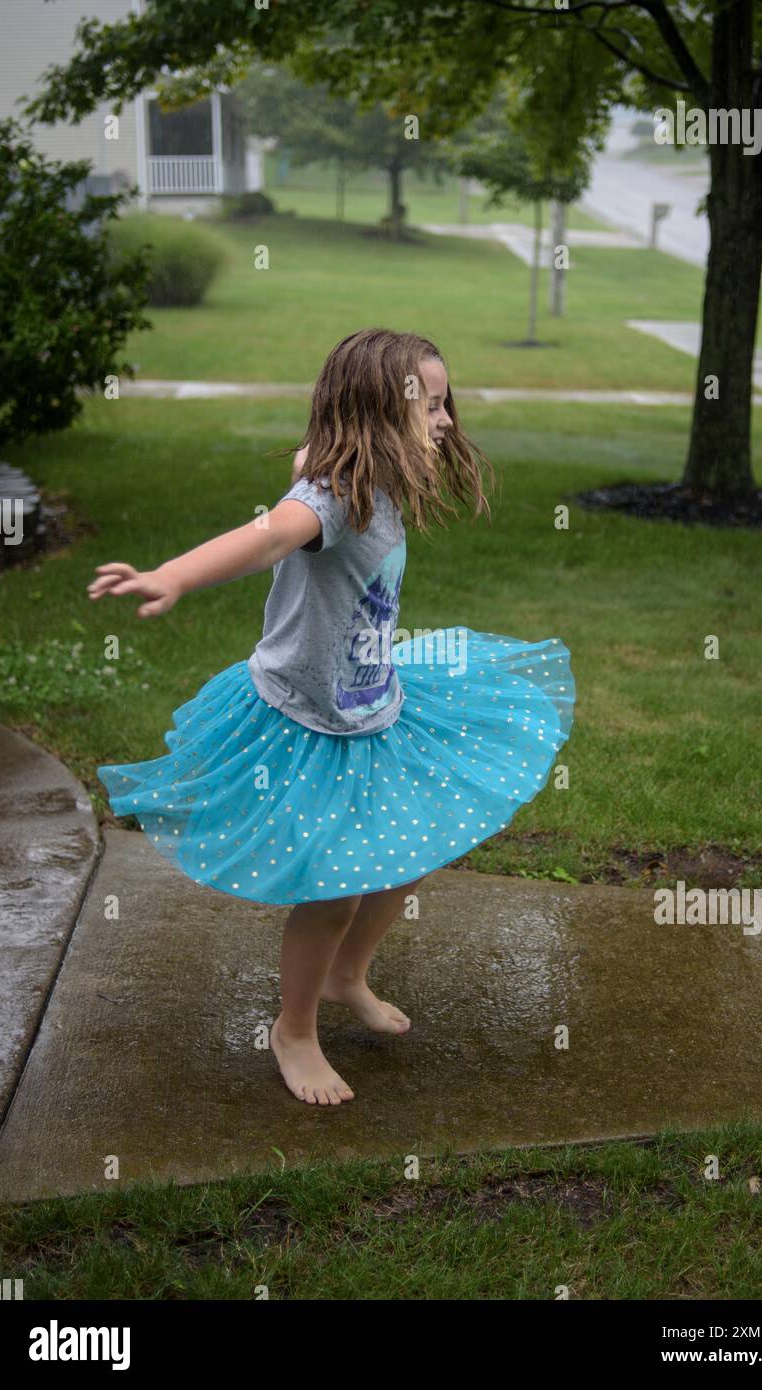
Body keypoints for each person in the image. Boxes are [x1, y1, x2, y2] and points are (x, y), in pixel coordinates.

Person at [89, 328, 575, 1107]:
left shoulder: (370, 477)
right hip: (304, 721)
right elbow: (266, 536)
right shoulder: (329, 500)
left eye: (446, 402)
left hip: (376, 702)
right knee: (334, 889)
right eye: (429, 404)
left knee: (409, 847)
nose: (445, 419)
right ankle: (294, 1029)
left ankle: (350, 974)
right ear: (374, 414)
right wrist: (171, 576)